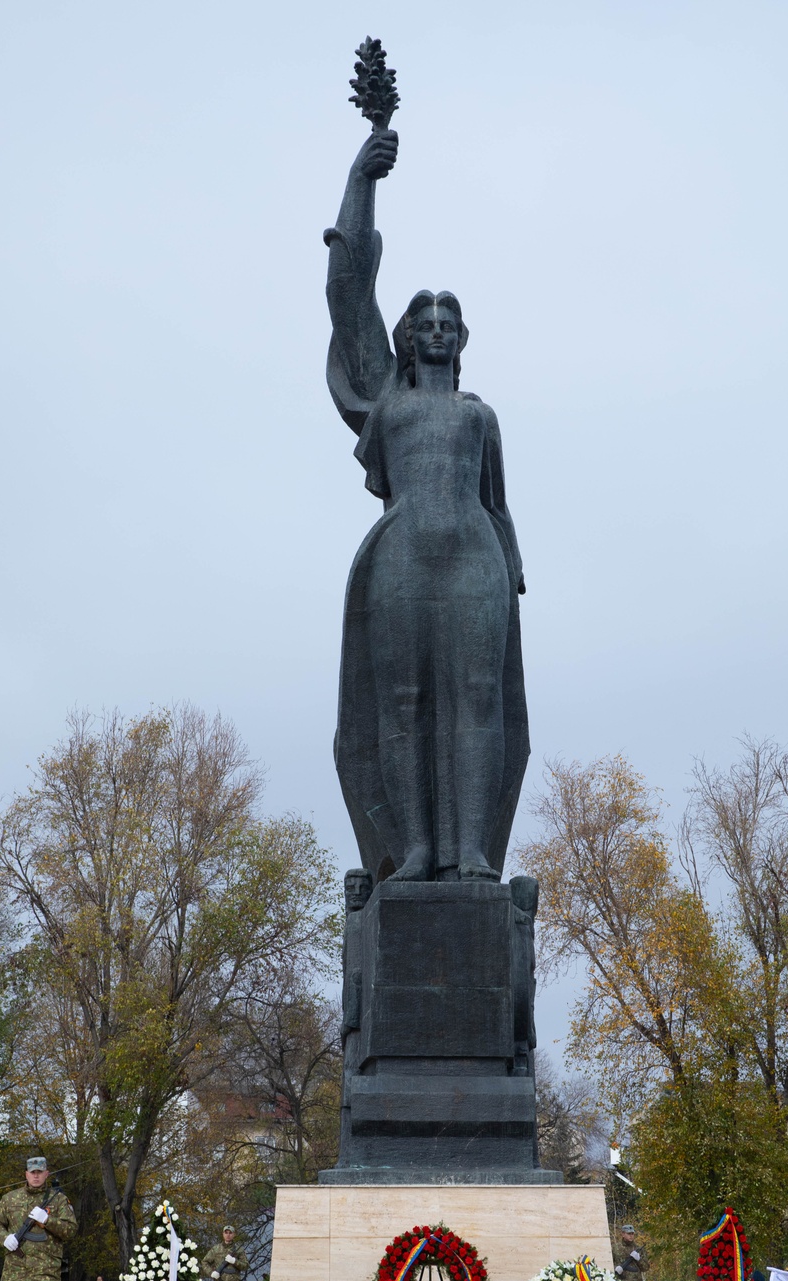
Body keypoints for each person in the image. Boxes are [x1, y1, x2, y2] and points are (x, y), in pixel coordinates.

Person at [324, 125, 529, 884]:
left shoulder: (480, 414)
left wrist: (512, 568)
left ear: (460, 339)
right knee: (400, 702)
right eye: (424, 324)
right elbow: (349, 298)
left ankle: (472, 850)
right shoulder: (387, 400)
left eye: (448, 325)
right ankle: (412, 850)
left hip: (473, 555)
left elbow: (498, 504)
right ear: (408, 340)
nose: (436, 331)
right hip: (401, 555)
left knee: (480, 694)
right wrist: (362, 180)